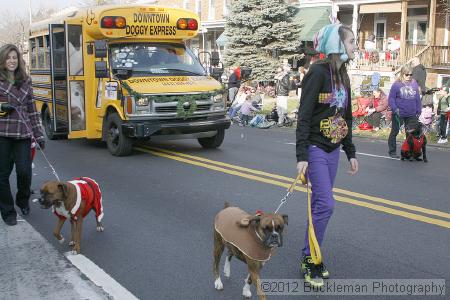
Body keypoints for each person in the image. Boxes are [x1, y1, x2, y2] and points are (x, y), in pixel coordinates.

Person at [296, 24, 358, 287]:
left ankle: (310, 254)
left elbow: (346, 116)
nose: (356, 45)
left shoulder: (342, 74)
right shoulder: (317, 72)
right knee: (326, 205)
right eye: (352, 41)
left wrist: (350, 152)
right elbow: (304, 115)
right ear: (337, 45)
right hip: (316, 148)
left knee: (318, 207)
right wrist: (301, 155)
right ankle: (311, 259)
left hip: (333, 149)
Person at [0, 44, 45, 226]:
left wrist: (39, 135)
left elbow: (32, 110)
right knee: (2, 176)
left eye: (14, 57)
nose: (12, 61)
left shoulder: (26, 81)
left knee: (24, 172)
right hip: (2, 133)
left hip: (23, 133)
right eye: (8, 57)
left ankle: (22, 199)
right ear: (2, 60)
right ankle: (8, 211)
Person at [387, 64, 421, 158]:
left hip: (411, 113)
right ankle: (392, 152)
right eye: (407, 74)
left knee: (410, 133)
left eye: (411, 74)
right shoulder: (396, 85)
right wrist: (395, 108)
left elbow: (417, 98)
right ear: (402, 74)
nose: (409, 76)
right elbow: (391, 99)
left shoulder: (414, 83)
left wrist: (419, 110)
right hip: (399, 113)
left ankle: (409, 152)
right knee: (395, 132)